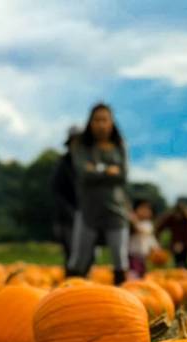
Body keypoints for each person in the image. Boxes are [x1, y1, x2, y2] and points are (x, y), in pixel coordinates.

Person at [67, 103, 130, 284]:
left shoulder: (120, 146)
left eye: (105, 120)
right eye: (97, 120)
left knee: (119, 256)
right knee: (79, 256)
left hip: (116, 209)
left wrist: (96, 169)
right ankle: (68, 297)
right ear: (90, 122)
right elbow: (83, 173)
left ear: (111, 123)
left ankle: (123, 299)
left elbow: (123, 175)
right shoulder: (81, 146)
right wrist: (108, 171)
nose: (101, 124)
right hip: (88, 209)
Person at [50, 126, 81, 268]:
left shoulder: (87, 163)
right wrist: (70, 212)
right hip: (67, 216)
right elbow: (57, 191)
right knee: (71, 252)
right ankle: (72, 281)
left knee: (87, 253)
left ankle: (86, 284)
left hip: (87, 216)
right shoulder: (63, 164)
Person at [155, 201, 187, 268]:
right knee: (177, 262)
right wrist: (158, 241)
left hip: (186, 243)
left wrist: (182, 243)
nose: (178, 216)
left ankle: (185, 275)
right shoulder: (171, 218)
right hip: (175, 243)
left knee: (184, 261)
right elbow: (159, 228)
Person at [128, 199, 162, 279]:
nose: (145, 211)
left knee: (142, 272)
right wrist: (132, 220)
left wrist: (156, 248)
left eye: (148, 209)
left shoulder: (147, 224)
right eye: (142, 209)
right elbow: (136, 229)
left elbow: (149, 238)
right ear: (135, 210)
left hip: (143, 255)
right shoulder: (131, 226)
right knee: (133, 273)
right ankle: (132, 285)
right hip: (132, 254)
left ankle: (139, 285)